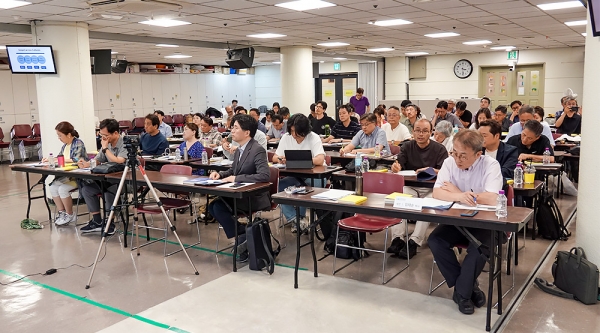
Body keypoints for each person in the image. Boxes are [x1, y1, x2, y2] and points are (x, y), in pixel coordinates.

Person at [428, 129, 504, 315]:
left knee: (478, 249)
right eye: (454, 153)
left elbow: (493, 198)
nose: (457, 159)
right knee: (435, 240)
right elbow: (438, 192)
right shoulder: (449, 162)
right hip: (457, 218)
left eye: (463, 155)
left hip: (486, 220)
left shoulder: (490, 165)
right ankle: (470, 287)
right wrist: (460, 195)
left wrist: (458, 194)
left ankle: (462, 294)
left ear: (478, 154)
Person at [208, 115, 270, 262]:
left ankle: (243, 236)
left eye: (236, 128)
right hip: (239, 193)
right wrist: (220, 174)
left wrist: (236, 179)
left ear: (247, 132)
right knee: (213, 206)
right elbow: (233, 171)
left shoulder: (257, 150)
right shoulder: (240, 149)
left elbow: (264, 176)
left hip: (253, 196)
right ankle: (243, 234)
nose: (232, 131)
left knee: (217, 207)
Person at [388, 119, 449, 259]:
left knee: (426, 207)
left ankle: (414, 241)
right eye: (417, 130)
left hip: (432, 189)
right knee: (398, 200)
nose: (420, 134)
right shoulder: (407, 146)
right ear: (413, 131)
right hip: (411, 186)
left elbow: (446, 171)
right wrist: (395, 167)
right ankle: (397, 239)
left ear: (431, 132)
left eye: (425, 131)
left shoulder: (439, 149)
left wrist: (431, 170)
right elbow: (399, 164)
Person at [273, 114, 326, 233]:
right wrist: (282, 159)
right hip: (294, 175)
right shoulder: (286, 137)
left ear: (305, 131)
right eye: (291, 131)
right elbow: (275, 157)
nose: (294, 135)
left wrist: (301, 160)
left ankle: (300, 220)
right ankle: (297, 219)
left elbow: (319, 160)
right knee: (277, 187)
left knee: (305, 190)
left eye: (297, 132)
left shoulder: (314, 137)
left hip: (314, 175)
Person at [77, 119, 128, 235]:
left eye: (105, 135)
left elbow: (119, 161)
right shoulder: (107, 143)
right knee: (87, 189)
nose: (103, 138)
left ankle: (110, 223)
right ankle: (97, 221)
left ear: (115, 133)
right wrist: (87, 163)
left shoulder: (124, 143)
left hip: (124, 181)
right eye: (101, 135)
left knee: (109, 190)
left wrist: (105, 148)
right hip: (108, 178)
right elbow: (99, 159)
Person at [48, 121, 88, 226]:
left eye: (60, 135)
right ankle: (62, 213)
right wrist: (50, 159)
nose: (59, 138)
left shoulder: (78, 143)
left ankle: (70, 214)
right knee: (52, 187)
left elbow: (77, 159)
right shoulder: (65, 146)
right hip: (68, 176)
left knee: (62, 189)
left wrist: (61, 160)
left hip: (78, 177)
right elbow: (59, 158)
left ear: (69, 135)